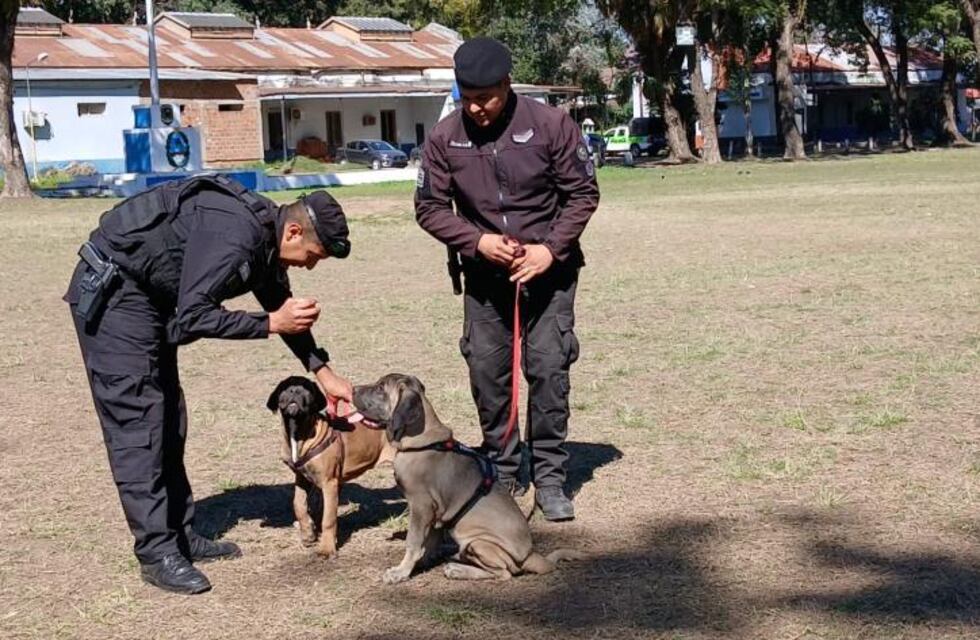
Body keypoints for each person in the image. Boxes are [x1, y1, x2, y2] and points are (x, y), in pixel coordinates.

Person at [64, 175, 353, 594]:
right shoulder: (235, 235)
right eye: (313, 255)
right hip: (116, 296)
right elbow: (193, 318)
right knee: (139, 425)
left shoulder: (266, 236)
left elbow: (279, 303)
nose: (310, 265)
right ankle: (156, 553)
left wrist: (322, 372)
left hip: (149, 298)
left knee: (169, 419)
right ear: (294, 231)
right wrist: (269, 324)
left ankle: (180, 534)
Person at [415, 38, 600, 521]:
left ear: (507, 84)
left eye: (486, 98)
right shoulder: (444, 138)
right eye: (468, 98)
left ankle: (551, 477)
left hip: (549, 274)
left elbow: (583, 193)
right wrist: (476, 242)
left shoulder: (551, 125)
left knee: (548, 369)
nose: (477, 108)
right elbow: (429, 208)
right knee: (487, 374)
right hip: (484, 278)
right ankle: (503, 468)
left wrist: (549, 249)